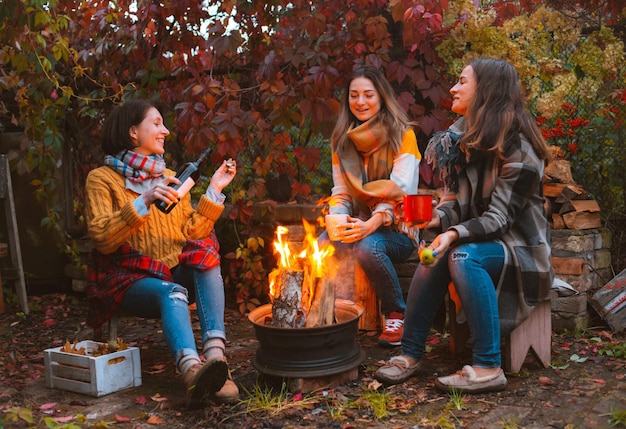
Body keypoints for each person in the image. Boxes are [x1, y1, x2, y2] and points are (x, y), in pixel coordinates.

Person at [375, 58, 554, 393]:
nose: (453, 89)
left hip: (520, 251)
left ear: (486, 91)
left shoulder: (520, 148)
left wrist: (453, 234)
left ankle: (488, 367)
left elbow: (499, 219)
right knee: (439, 253)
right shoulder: (463, 141)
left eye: (461, 82)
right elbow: (458, 203)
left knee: (461, 255)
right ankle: (410, 354)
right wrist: (436, 220)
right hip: (481, 241)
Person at [84, 99, 239, 407]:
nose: (165, 130)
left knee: (206, 256)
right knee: (173, 292)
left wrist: (215, 190)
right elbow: (102, 238)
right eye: (156, 124)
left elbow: (193, 232)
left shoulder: (170, 176)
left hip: (171, 271)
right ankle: (192, 371)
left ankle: (217, 363)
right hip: (130, 278)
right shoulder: (101, 179)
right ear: (132, 132)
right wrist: (144, 200)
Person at [321, 66, 421, 347]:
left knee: (368, 247)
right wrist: (337, 219)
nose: (360, 102)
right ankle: (328, 312)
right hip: (359, 222)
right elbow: (341, 191)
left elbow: (400, 191)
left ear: (381, 98)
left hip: (398, 229)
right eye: (354, 95)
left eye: (368, 95)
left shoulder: (403, 136)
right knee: (323, 243)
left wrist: (371, 224)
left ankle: (396, 314)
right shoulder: (341, 141)